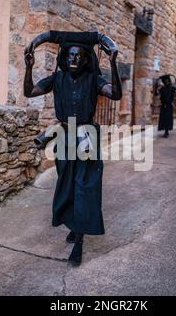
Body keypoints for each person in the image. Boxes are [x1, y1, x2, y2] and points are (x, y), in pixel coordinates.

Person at [23, 31, 122, 266]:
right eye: (70, 56)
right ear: (64, 58)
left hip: (86, 136)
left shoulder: (93, 80)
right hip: (65, 136)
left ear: (87, 59)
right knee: (67, 185)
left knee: (84, 186)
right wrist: (29, 67)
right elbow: (29, 92)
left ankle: (79, 241)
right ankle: (74, 225)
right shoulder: (57, 79)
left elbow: (116, 94)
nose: (74, 60)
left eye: (79, 56)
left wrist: (114, 63)